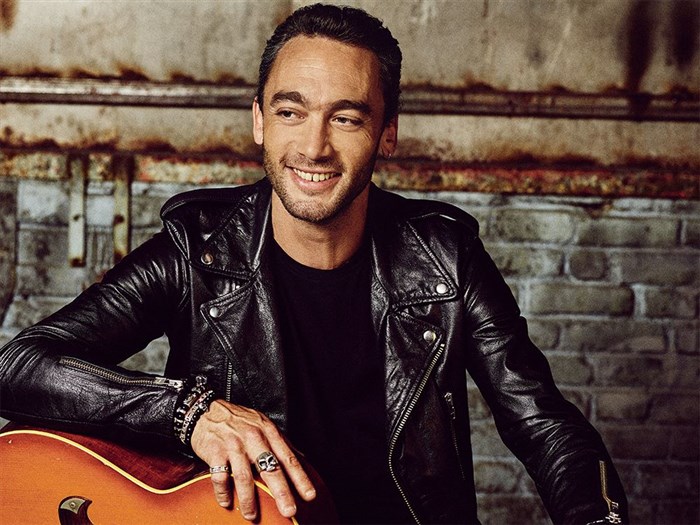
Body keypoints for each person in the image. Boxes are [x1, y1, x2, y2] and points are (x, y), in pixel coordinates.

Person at [0, 3, 628, 524]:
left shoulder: (446, 259)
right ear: (259, 121)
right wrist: (188, 414)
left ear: (387, 134)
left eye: (346, 118)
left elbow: (547, 429)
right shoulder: (198, 250)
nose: (314, 146)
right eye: (290, 112)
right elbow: (19, 366)